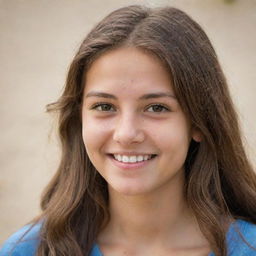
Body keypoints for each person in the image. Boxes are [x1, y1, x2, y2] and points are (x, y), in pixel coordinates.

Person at [1, 5, 256, 256]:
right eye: (104, 106)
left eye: (156, 108)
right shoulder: (28, 251)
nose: (126, 134)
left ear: (199, 121)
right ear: (80, 119)